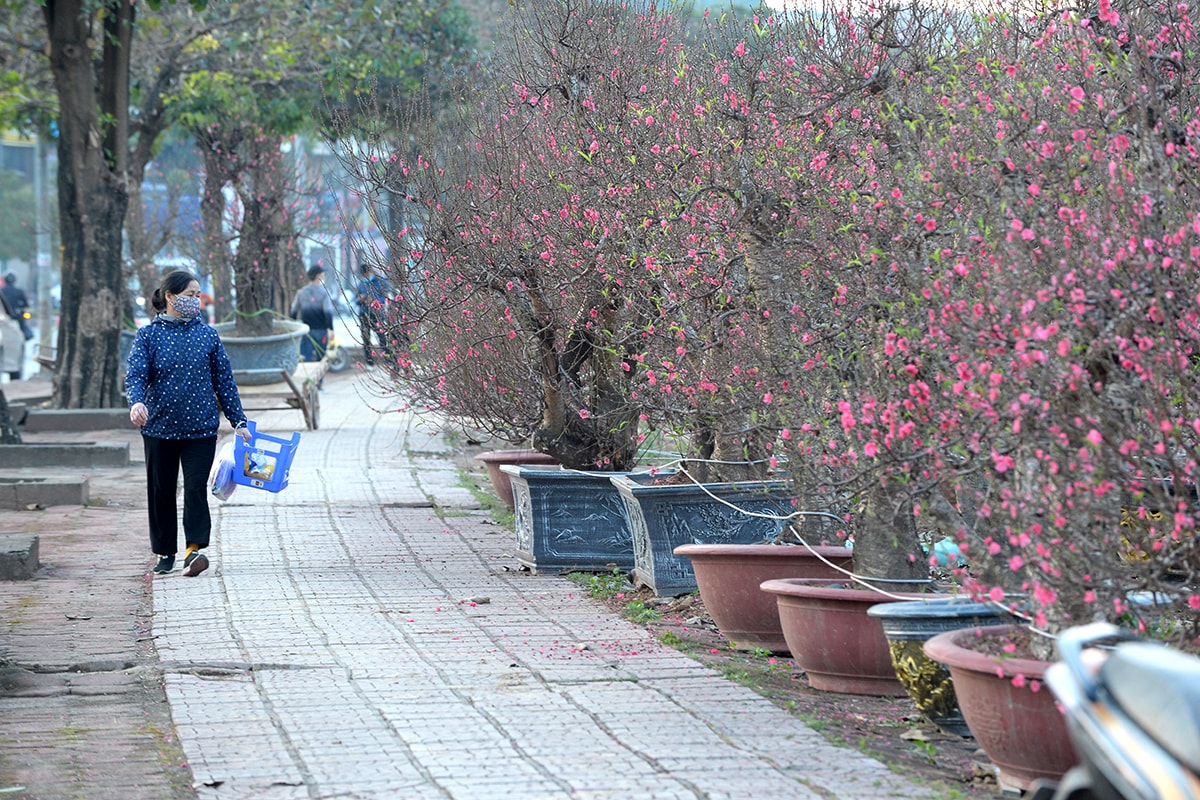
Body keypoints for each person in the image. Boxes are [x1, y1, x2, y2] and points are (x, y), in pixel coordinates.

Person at [125, 270, 253, 577]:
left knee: (196, 487)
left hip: (201, 428)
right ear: (170, 297)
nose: (196, 301)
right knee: (161, 490)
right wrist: (136, 402)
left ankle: (195, 550)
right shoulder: (149, 336)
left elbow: (224, 380)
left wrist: (239, 420)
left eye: (198, 295)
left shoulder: (207, 335)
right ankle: (165, 552)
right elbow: (136, 374)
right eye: (190, 295)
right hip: (159, 427)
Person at [290, 265, 335, 364]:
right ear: (318, 275)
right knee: (321, 360)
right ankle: (319, 380)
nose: (325, 275)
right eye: (323, 273)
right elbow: (328, 312)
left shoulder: (301, 292)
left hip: (306, 331)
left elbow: (293, 311)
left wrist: (292, 326)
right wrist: (331, 329)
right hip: (321, 331)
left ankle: (307, 379)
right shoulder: (324, 293)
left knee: (306, 359)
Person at [355, 263, 392, 367]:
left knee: (382, 338)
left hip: (377, 314)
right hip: (364, 314)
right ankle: (369, 362)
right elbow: (355, 299)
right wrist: (360, 299)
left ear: (370, 272)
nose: (365, 277)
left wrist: (375, 300)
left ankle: (389, 361)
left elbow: (385, 298)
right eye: (363, 275)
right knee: (366, 338)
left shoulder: (381, 282)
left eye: (366, 274)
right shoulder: (361, 284)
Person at [1, 273, 32, 341]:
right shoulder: (19, 291)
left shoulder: (2, 291)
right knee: (23, 329)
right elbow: (26, 304)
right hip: (16, 315)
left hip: (6, 316)